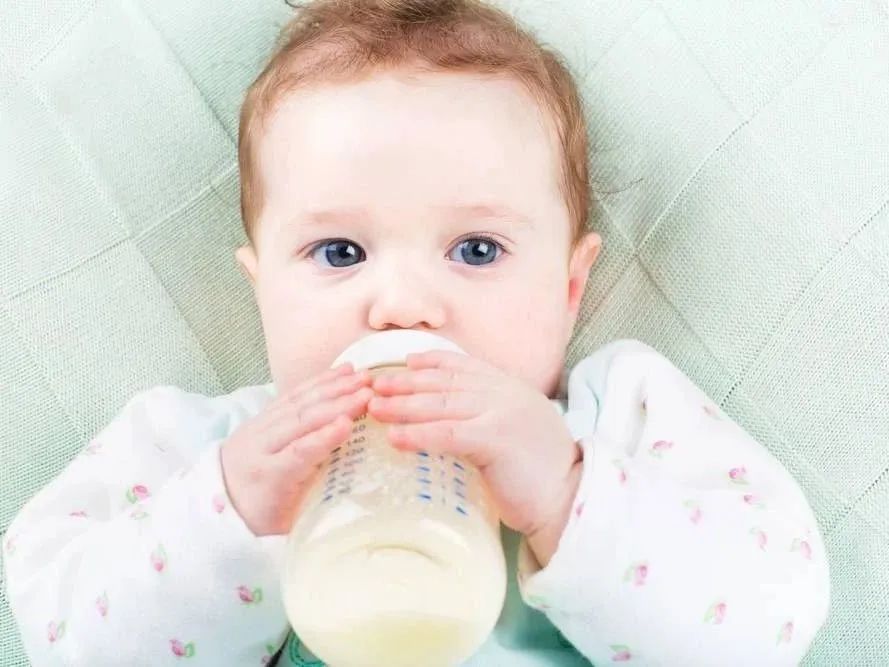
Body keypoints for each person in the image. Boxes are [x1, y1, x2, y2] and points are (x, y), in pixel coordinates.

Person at [2, 0, 831, 664]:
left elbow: (770, 622)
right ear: (261, 289)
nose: (400, 305)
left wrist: (569, 492)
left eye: (476, 250)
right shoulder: (200, 447)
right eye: (339, 251)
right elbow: (63, 636)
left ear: (569, 287)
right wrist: (228, 511)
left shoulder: (620, 417)